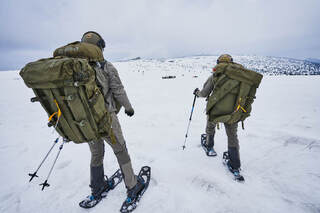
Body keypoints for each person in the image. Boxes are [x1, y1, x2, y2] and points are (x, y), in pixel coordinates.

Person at [80, 31, 145, 206]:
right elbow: (118, 90)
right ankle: (133, 186)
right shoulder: (106, 66)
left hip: (85, 120)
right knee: (120, 149)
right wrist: (129, 107)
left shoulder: (75, 68)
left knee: (96, 153)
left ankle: (97, 187)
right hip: (106, 117)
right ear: (100, 47)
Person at [193, 54, 241, 172]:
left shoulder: (215, 76)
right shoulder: (240, 78)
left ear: (218, 62)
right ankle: (235, 165)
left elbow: (204, 93)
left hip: (215, 110)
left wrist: (197, 93)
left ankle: (209, 147)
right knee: (232, 136)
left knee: (210, 127)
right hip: (233, 112)